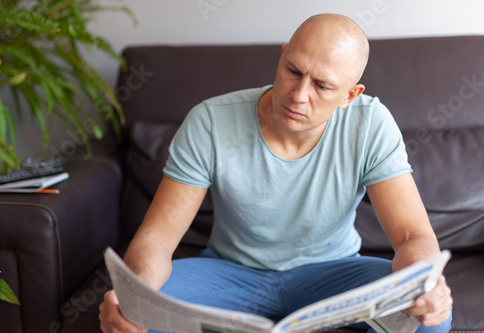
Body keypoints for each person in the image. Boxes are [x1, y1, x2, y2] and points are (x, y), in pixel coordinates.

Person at [99, 13, 453, 333]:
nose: (299, 95)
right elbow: (157, 238)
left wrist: (425, 284)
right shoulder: (209, 121)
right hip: (232, 273)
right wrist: (136, 294)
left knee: (429, 321)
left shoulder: (371, 123)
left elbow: (411, 236)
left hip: (334, 273)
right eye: (293, 71)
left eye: (322, 85)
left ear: (350, 95)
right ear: (282, 56)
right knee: (137, 319)